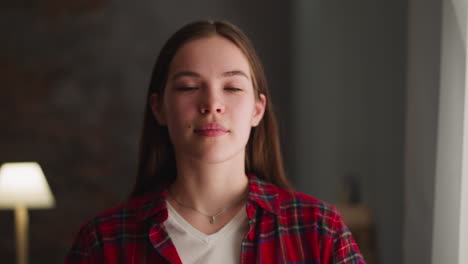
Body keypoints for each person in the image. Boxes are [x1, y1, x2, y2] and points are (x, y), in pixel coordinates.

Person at [65, 20, 366, 264]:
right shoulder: (103, 242)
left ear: (257, 109)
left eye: (232, 87)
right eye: (189, 86)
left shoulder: (319, 230)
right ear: (158, 108)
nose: (212, 103)